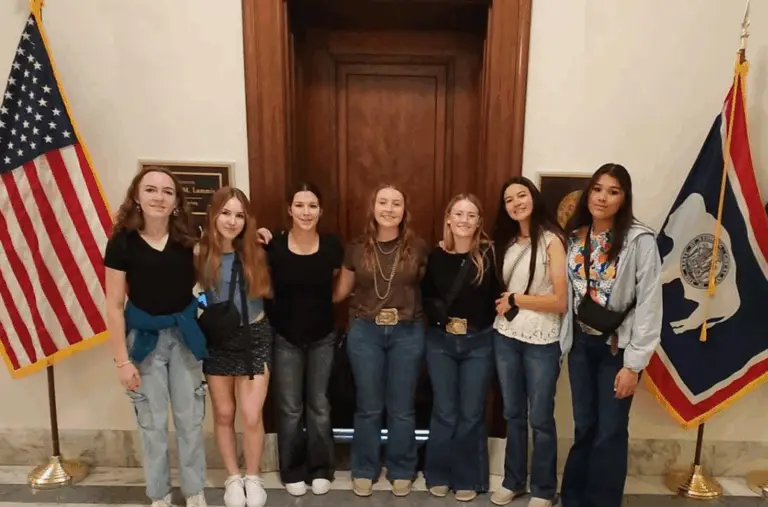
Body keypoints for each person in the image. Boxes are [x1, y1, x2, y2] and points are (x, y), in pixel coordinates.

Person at [559, 163, 662, 507]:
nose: (602, 197)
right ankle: (574, 497)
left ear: (624, 198)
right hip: (581, 347)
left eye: (613, 191)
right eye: (597, 189)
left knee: (610, 431)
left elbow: (650, 301)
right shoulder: (575, 238)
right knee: (584, 426)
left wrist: (634, 364)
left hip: (616, 349)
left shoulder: (639, 240)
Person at [104, 166, 207, 507]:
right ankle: (159, 494)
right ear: (137, 195)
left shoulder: (189, 239)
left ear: (177, 201)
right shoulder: (122, 242)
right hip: (144, 342)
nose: (159, 197)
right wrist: (122, 360)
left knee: (190, 419)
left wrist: (260, 234)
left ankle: (194, 490)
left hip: (184, 338)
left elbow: (214, 274)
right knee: (152, 422)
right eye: (151, 190)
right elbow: (114, 304)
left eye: (167, 191)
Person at [334, 183, 429, 498]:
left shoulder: (418, 247)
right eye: (383, 202)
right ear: (372, 207)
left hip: (408, 332)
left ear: (405, 210)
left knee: (402, 407)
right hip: (365, 332)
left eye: (396, 203)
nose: (389, 209)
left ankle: (402, 468)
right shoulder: (357, 247)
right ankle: (365, 468)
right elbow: (340, 292)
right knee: (368, 406)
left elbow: (434, 288)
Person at [257, 183, 343, 496]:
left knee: (319, 405)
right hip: (285, 337)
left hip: (322, 336)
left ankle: (321, 468)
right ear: (290, 209)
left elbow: (339, 286)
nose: (306, 212)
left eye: (312, 205)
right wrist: (256, 237)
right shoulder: (275, 246)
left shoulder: (332, 245)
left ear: (320, 210)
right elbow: (260, 281)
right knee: (290, 407)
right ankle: (292, 469)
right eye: (300, 205)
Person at [490, 177, 568, 507]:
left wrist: (518, 300)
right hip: (505, 336)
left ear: (533, 197)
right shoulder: (506, 242)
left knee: (540, 418)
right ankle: (514, 481)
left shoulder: (552, 240)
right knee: (513, 413)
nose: (516, 202)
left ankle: (544, 489)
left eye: (522, 195)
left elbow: (560, 301)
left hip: (542, 338)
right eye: (509, 199)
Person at [195, 187, 273, 507]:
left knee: (252, 414)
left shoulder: (255, 249)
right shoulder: (198, 252)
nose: (232, 220)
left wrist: (268, 235)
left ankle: (253, 476)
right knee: (225, 413)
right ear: (214, 215)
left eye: (239, 215)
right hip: (218, 340)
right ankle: (232, 477)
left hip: (254, 335)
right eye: (226, 213)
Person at [420, 193, 499, 502]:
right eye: (459, 213)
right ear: (448, 219)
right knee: (444, 410)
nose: (464, 220)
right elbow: (424, 294)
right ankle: (438, 473)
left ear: (479, 221)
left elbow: (498, 297)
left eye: (471, 214)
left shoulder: (489, 256)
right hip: (440, 342)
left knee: (471, 412)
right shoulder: (435, 256)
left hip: (479, 342)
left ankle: (468, 476)